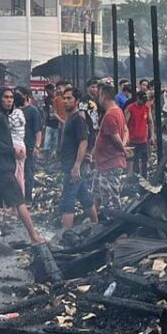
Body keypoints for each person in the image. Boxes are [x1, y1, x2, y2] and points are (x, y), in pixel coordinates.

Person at [0, 88, 45, 252]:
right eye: (6, 97)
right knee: (20, 202)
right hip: (1, 168)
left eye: (11, 98)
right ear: (0, 99)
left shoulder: (2, 116)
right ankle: (34, 237)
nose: (9, 100)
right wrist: (12, 151)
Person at [58, 87, 98, 229]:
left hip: (73, 167)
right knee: (84, 197)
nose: (66, 101)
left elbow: (83, 141)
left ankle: (65, 235)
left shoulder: (78, 120)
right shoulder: (70, 118)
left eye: (69, 98)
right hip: (70, 165)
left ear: (77, 101)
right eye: (65, 98)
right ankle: (96, 225)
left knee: (68, 201)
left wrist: (76, 166)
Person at [91, 83, 129, 219]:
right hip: (103, 163)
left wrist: (122, 150)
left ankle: (116, 228)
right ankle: (93, 222)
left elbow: (116, 137)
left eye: (99, 95)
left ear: (103, 96)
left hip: (110, 163)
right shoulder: (117, 111)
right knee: (95, 194)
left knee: (111, 200)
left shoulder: (110, 115)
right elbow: (125, 131)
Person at [17, 87, 43, 203]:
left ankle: (27, 199)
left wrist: (37, 147)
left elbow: (38, 131)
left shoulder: (33, 111)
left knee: (28, 172)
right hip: (16, 147)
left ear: (26, 95)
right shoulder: (14, 111)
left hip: (29, 146)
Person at [125, 90, 153, 176]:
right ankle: (134, 178)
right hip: (132, 140)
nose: (143, 102)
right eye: (142, 100)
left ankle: (144, 177)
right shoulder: (130, 108)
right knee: (134, 160)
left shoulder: (146, 108)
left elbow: (150, 122)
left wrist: (152, 136)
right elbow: (125, 123)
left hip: (143, 140)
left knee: (144, 160)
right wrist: (126, 137)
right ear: (137, 98)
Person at [8, 90, 27, 194]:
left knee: (13, 174)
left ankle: (15, 199)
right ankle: (21, 197)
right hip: (21, 145)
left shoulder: (13, 115)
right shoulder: (21, 114)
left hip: (15, 146)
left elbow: (6, 126)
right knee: (20, 174)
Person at [42, 83, 59, 157]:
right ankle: (46, 156)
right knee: (47, 141)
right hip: (49, 123)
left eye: (48, 91)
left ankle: (54, 156)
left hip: (57, 123)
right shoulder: (47, 100)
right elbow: (46, 112)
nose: (47, 93)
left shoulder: (59, 99)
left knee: (56, 141)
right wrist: (44, 123)